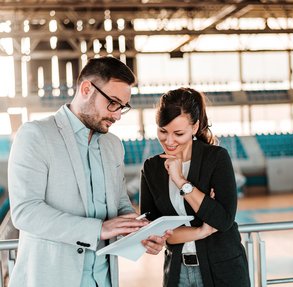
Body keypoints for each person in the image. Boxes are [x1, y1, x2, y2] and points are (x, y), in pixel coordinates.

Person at [8, 56, 170, 287]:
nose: (116, 115)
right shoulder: (36, 135)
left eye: (122, 107)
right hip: (51, 278)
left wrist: (137, 230)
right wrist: (98, 229)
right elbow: (26, 212)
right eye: (112, 103)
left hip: (103, 280)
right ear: (86, 89)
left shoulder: (113, 145)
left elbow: (120, 203)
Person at [140, 87, 251, 287]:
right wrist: (202, 230)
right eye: (163, 131)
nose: (169, 141)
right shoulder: (152, 167)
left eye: (178, 133)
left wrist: (181, 181)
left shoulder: (216, 158)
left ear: (194, 127)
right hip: (177, 271)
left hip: (223, 270)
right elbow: (154, 228)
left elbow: (223, 220)